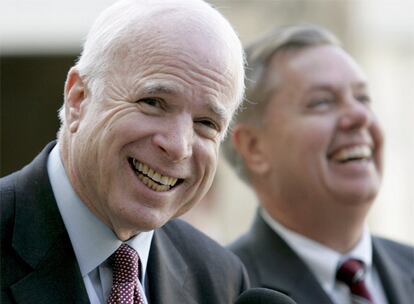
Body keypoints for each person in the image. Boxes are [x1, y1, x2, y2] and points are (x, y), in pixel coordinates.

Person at [0, 0, 249, 303]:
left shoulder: (220, 279)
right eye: (153, 102)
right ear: (78, 99)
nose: (178, 146)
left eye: (206, 123)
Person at [223, 25, 414, 304]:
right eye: (322, 102)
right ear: (253, 147)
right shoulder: (223, 289)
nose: (360, 116)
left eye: (363, 98)